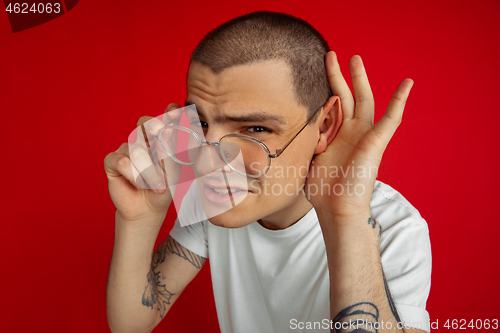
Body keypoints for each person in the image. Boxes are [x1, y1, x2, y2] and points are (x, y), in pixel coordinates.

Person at [104, 11, 431, 333]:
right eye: (201, 122)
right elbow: (133, 324)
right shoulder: (218, 199)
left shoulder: (395, 229)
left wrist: (346, 221)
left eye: (255, 128)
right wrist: (140, 219)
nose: (207, 160)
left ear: (325, 126)